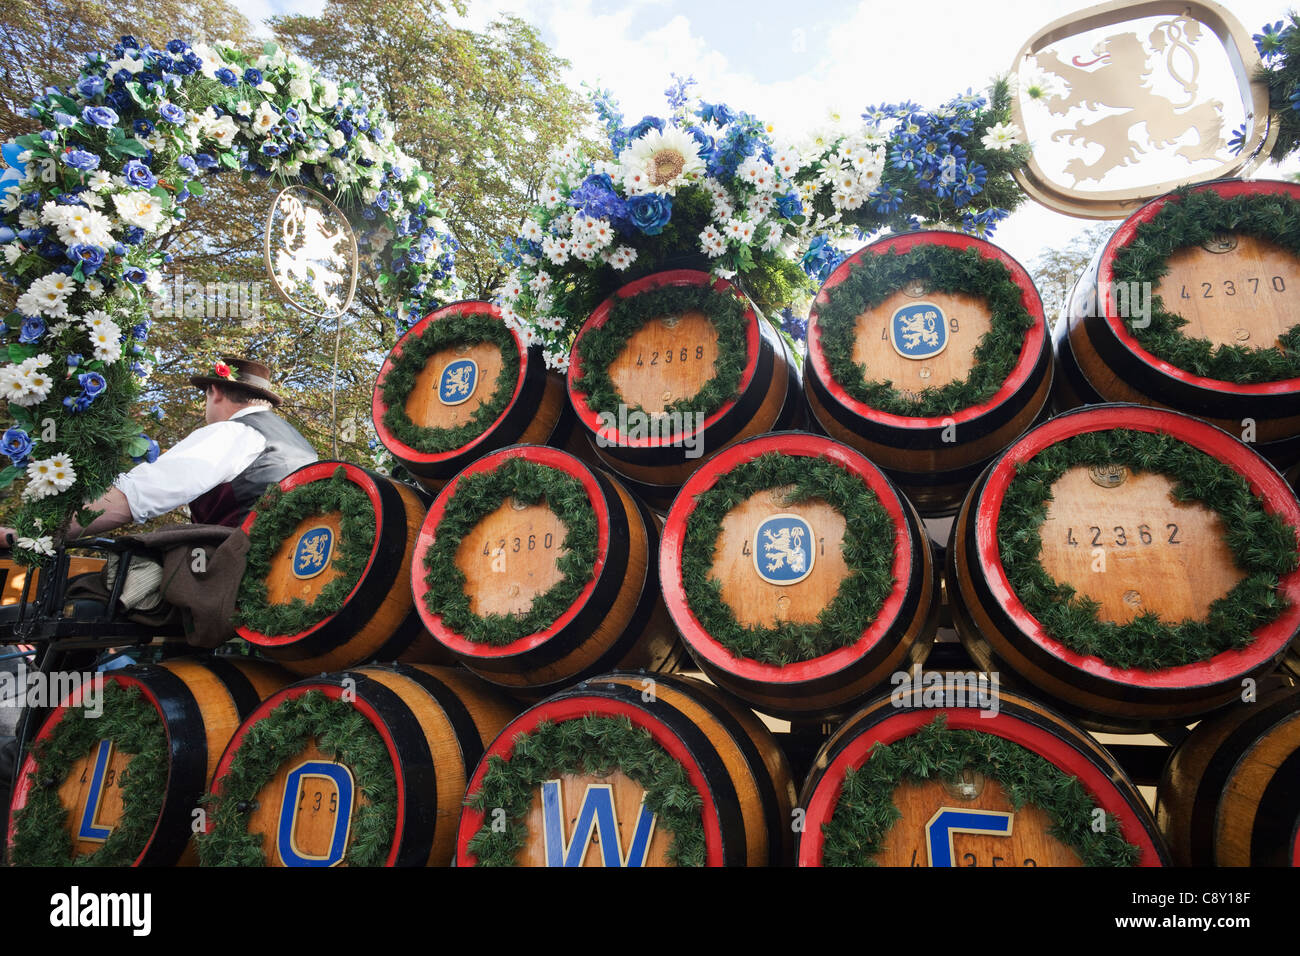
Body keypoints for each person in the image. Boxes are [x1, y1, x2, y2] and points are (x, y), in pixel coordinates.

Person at [2, 357, 319, 544]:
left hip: (235, 584)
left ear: (216, 392)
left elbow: (135, 497)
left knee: (84, 596)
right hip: (292, 580)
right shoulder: (303, 448)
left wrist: (27, 536)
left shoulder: (232, 432)